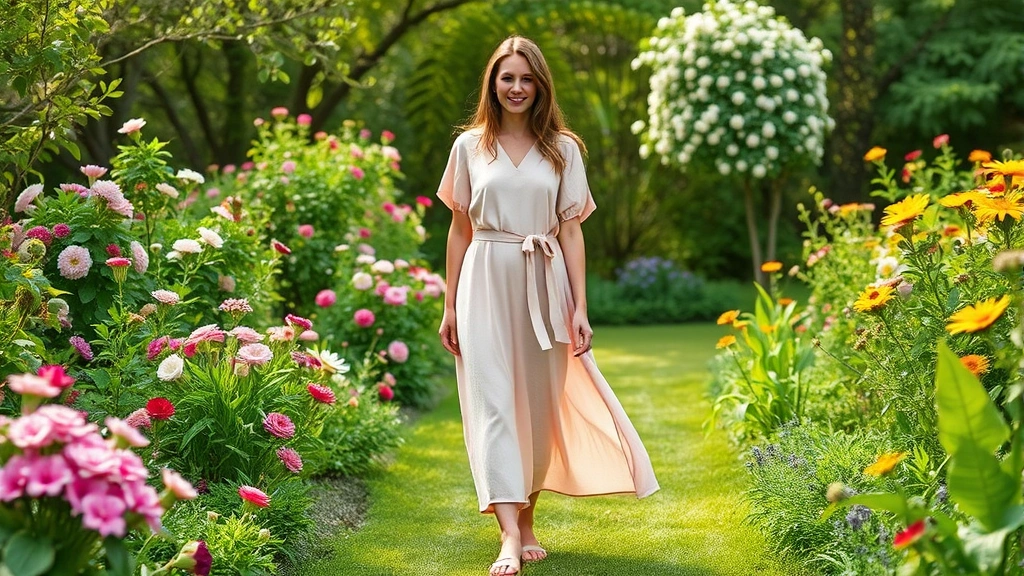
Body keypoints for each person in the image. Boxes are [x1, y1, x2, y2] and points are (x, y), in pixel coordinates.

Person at [436, 35, 660, 576]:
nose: (517, 87)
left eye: (527, 78)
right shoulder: (468, 147)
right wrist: (448, 306)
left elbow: (572, 233)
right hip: (484, 281)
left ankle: (528, 520)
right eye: (507, 77)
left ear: (541, 86)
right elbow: (459, 230)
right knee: (494, 404)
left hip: (545, 284)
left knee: (536, 408)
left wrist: (580, 307)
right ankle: (509, 536)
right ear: (493, 83)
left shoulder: (564, 149)